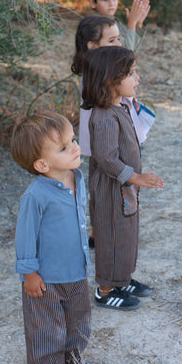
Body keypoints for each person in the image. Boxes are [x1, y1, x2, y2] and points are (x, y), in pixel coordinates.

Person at [11, 112, 94, 364]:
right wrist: (29, 274)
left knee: (78, 321)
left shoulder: (76, 178)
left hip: (76, 270)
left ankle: (71, 362)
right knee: (46, 328)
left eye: (73, 140)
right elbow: (25, 237)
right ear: (42, 164)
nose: (75, 147)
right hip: (46, 277)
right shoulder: (36, 196)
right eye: (64, 147)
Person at [81, 46, 164, 310]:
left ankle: (121, 279)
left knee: (126, 234)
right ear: (110, 81)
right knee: (112, 236)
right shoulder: (104, 117)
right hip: (111, 190)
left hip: (124, 189)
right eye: (130, 73)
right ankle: (105, 290)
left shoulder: (119, 108)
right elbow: (106, 158)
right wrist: (136, 177)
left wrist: (134, 180)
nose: (137, 78)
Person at [71, 14, 155, 248]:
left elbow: (122, 59)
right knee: (106, 195)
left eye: (119, 39)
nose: (119, 45)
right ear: (92, 47)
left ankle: (107, 236)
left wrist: (132, 26)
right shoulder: (98, 80)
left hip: (113, 149)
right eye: (113, 40)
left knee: (112, 194)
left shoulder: (102, 73)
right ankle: (107, 241)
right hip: (104, 149)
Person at [85, 0, 150, 52]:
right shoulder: (97, 26)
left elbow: (132, 48)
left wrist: (138, 24)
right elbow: (125, 53)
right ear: (93, 3)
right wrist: (131, 24)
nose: (111, 3)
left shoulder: (114, 21)